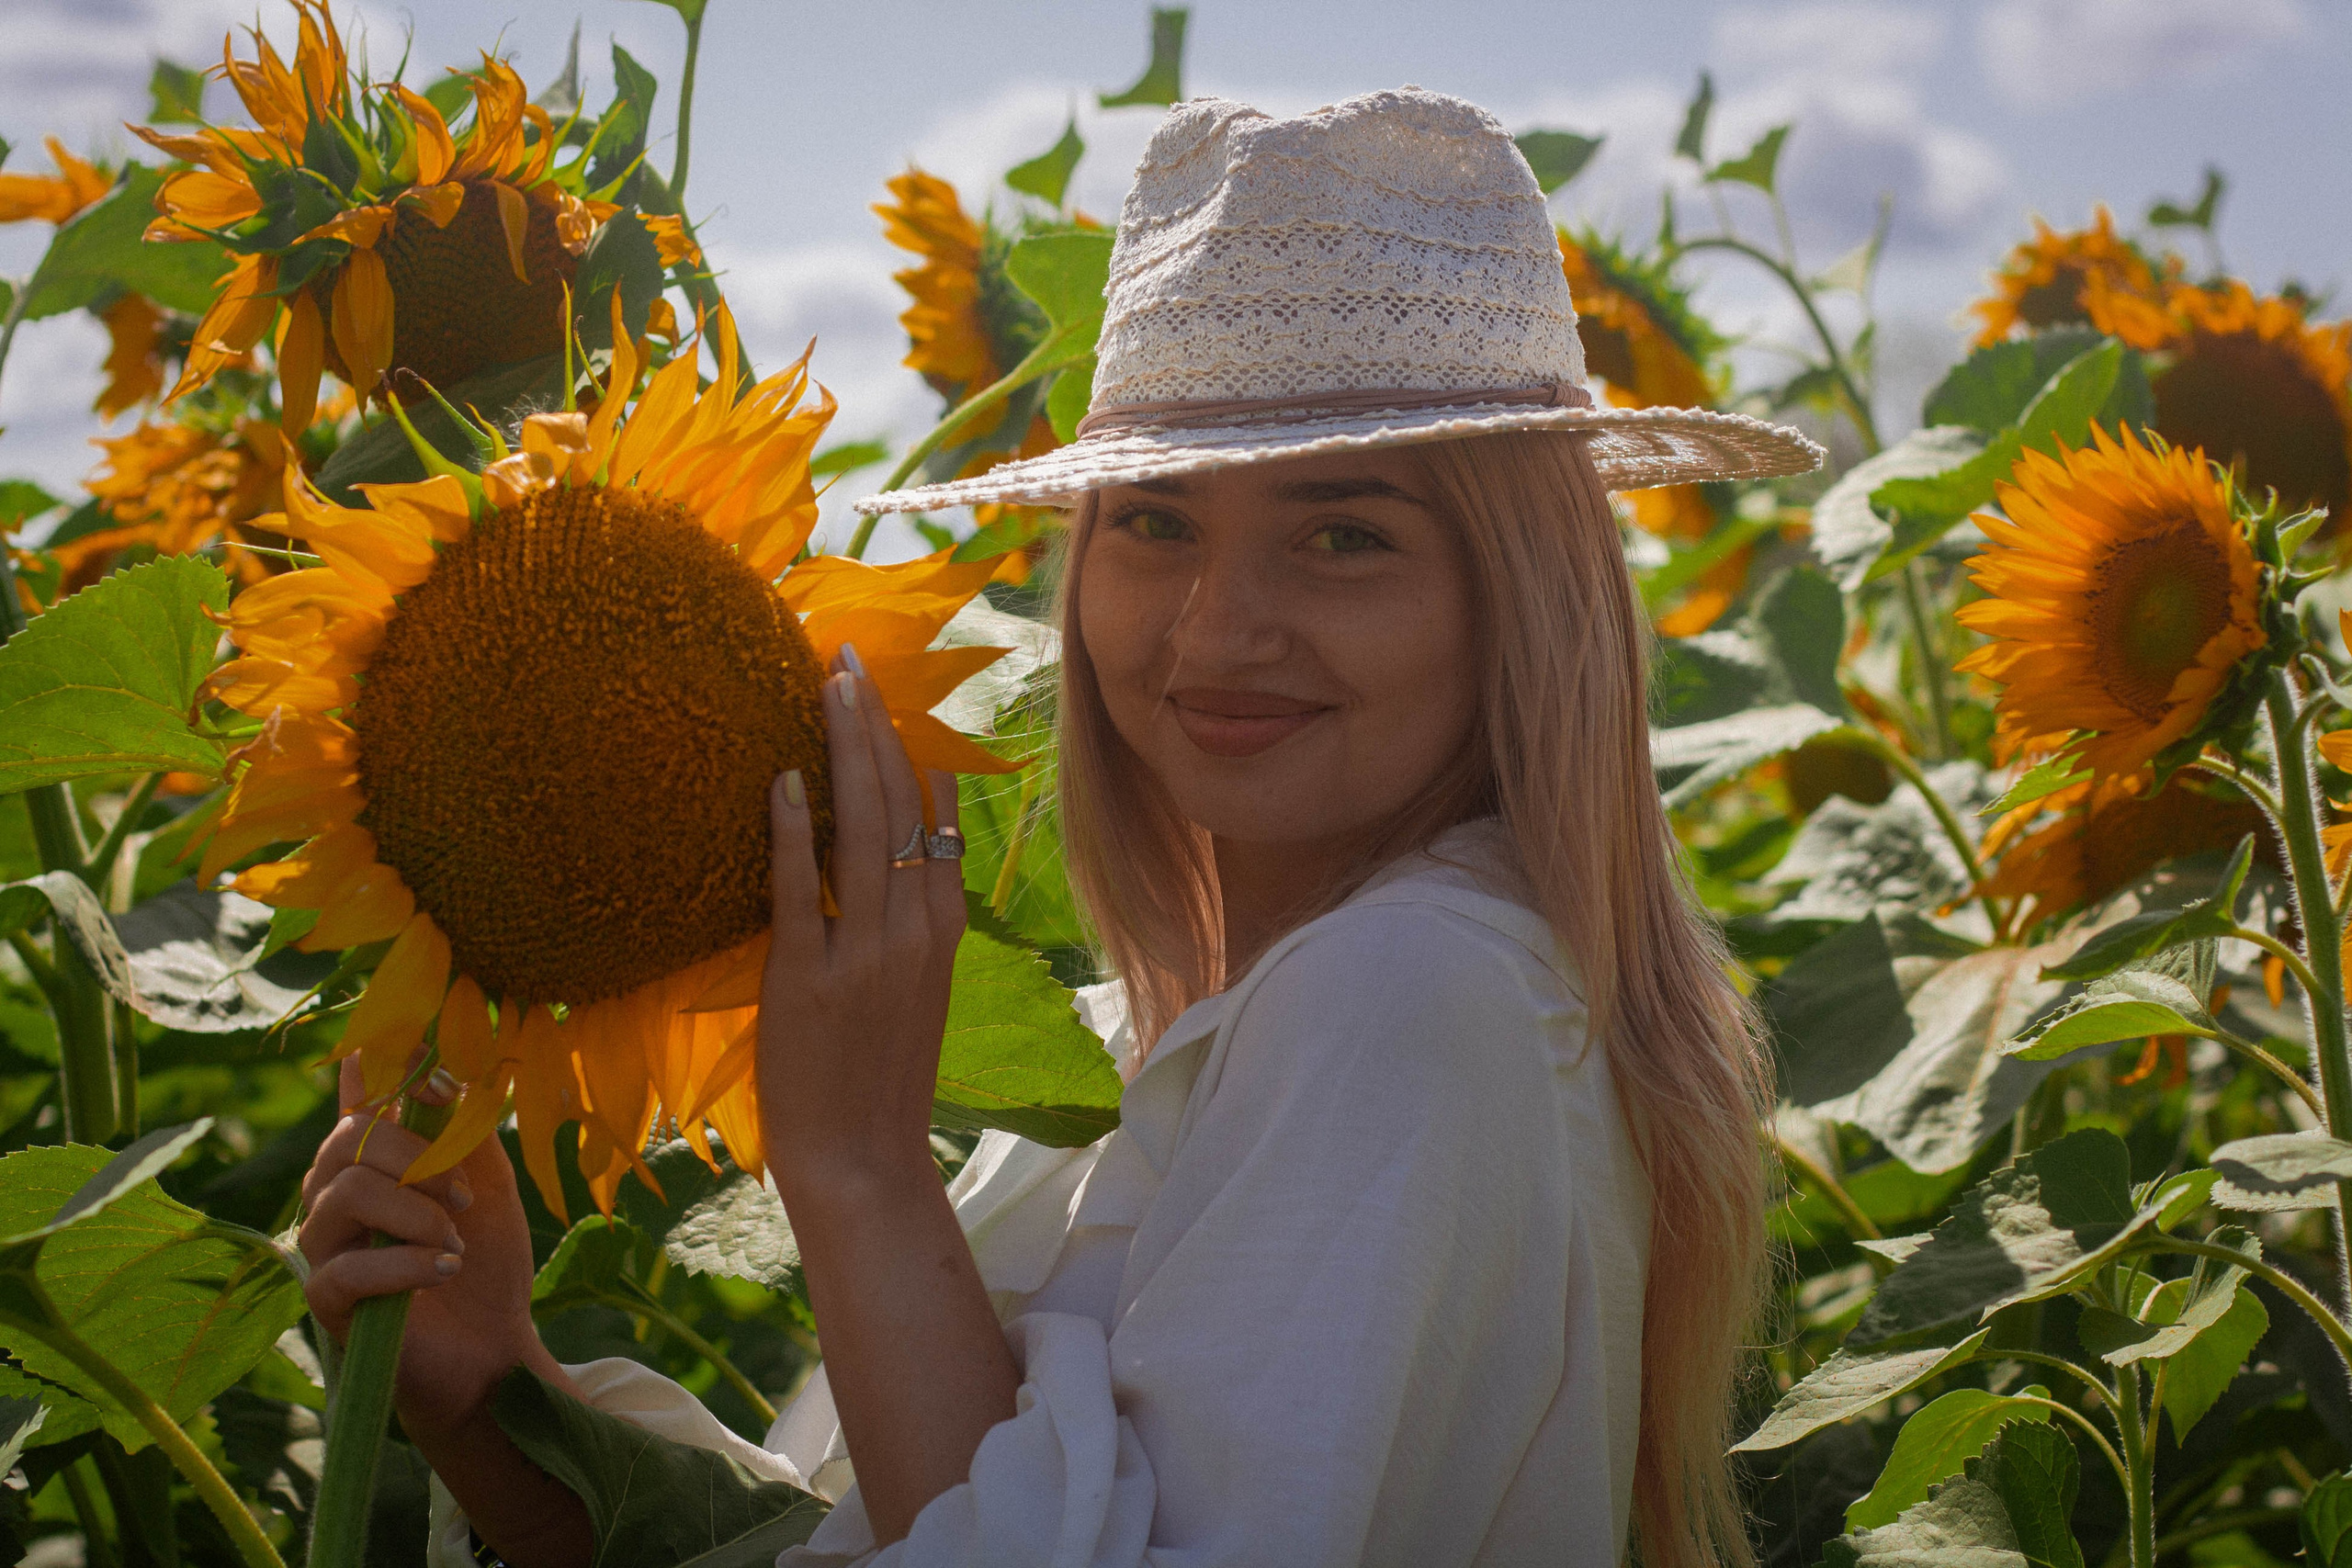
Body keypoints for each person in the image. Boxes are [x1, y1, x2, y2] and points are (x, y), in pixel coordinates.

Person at [295, 87, 1822, 1568]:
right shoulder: (1187, 1029)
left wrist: (861, 1169)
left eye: (1344, 535)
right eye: (1154, 521)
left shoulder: (1408, 993)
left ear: (1523, 599)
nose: (1217, 628)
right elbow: (894, 1526)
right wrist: (498, 1398)